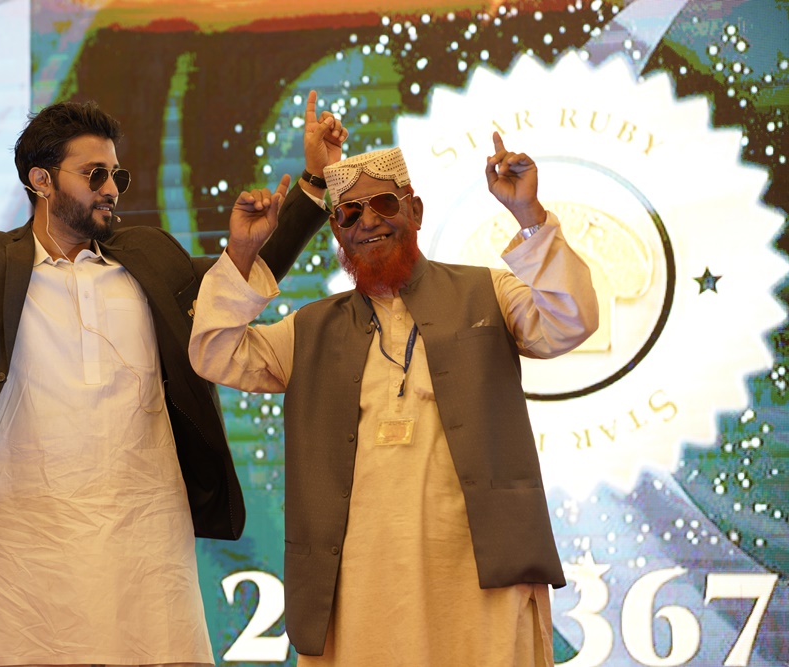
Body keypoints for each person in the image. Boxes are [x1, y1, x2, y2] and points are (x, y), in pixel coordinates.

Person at [0, 31, 347, 667]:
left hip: (140, 546)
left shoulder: (149, 260)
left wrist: (313, 182)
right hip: (10, 555)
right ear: (41, 181)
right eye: (94, 174)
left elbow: (238, 281)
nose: (111, 188)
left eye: (116, 175)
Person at [189, 138, 599, 665]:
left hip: (480, 581)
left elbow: (571, 320)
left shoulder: (488, 294)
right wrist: (243, 254)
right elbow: (214, 352)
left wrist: (528, 215)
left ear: (415, 210)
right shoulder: (310, 330)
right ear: (336, 231)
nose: (368, 222)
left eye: (383, 203)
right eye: (349, 213)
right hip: (358, 588)